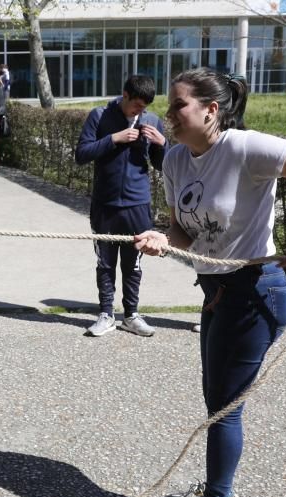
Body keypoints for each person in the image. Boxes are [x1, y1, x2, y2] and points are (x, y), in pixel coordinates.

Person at [134, 67, 286, 497]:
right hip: (217, 292)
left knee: (225, 408)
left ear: (212, 110)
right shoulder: (176, 160)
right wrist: (163, 239)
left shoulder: (242, 148)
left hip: (257, 289)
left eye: (178, 105)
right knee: (216, 403)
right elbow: (184, 229)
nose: (168, 115)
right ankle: (216, 493)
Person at [75, 75, 167, 338]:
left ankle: (131, 315)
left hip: (138, 205)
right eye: (137, 105)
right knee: (105, 263)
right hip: (104, 204)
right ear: (124, 95)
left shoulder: (151, 121)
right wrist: (114, 138)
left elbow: (163, 165)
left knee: (133, 264)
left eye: (145, 107)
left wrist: (163, 144)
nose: (141, 112)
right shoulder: (99, 116)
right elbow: (81, 154)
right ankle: (106, 314)